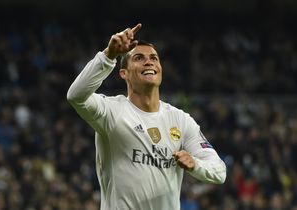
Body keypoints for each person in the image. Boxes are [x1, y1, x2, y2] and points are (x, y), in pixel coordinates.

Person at [67, 23, 226, 210]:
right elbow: (75, 96)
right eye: (139, 58)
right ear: (124, 73)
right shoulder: (110, 111)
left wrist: (195, 164)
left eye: (154, 58)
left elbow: (219, 171)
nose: (149, 62)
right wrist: (108, 55)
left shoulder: (181, 120)